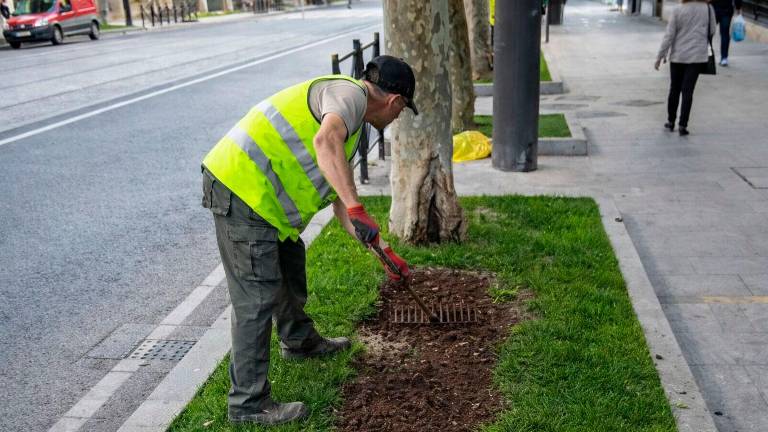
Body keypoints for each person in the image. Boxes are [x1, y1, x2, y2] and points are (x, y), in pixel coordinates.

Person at [200, 55, 417, 426]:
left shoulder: (353, 118)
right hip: (241, 188)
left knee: (288, 265)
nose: (397, 120)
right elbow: (324, 140)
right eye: (401, 113)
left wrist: (380, 249)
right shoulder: (350, 97)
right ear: (395, 102)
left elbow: (339, 201)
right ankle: (248, 404)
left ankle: (299, 342)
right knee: (256, 298)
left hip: (264, 204)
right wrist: (356, 205)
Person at [655, 0, 715, 136]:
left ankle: (671, 121)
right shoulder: (708, 8)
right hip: (697, 56)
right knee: (688, 91)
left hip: (678, 56)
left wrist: (660, 56)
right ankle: (683, 125)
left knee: (675, 89)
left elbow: (669, 35)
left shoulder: (677, 10)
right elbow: (712, 30)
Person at [710, 0, 742, 66]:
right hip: (726, 9)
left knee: (709, 33)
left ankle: (707, 55)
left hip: (713, 8)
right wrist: (738, 7)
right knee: (725, 34)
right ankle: (724, 58)